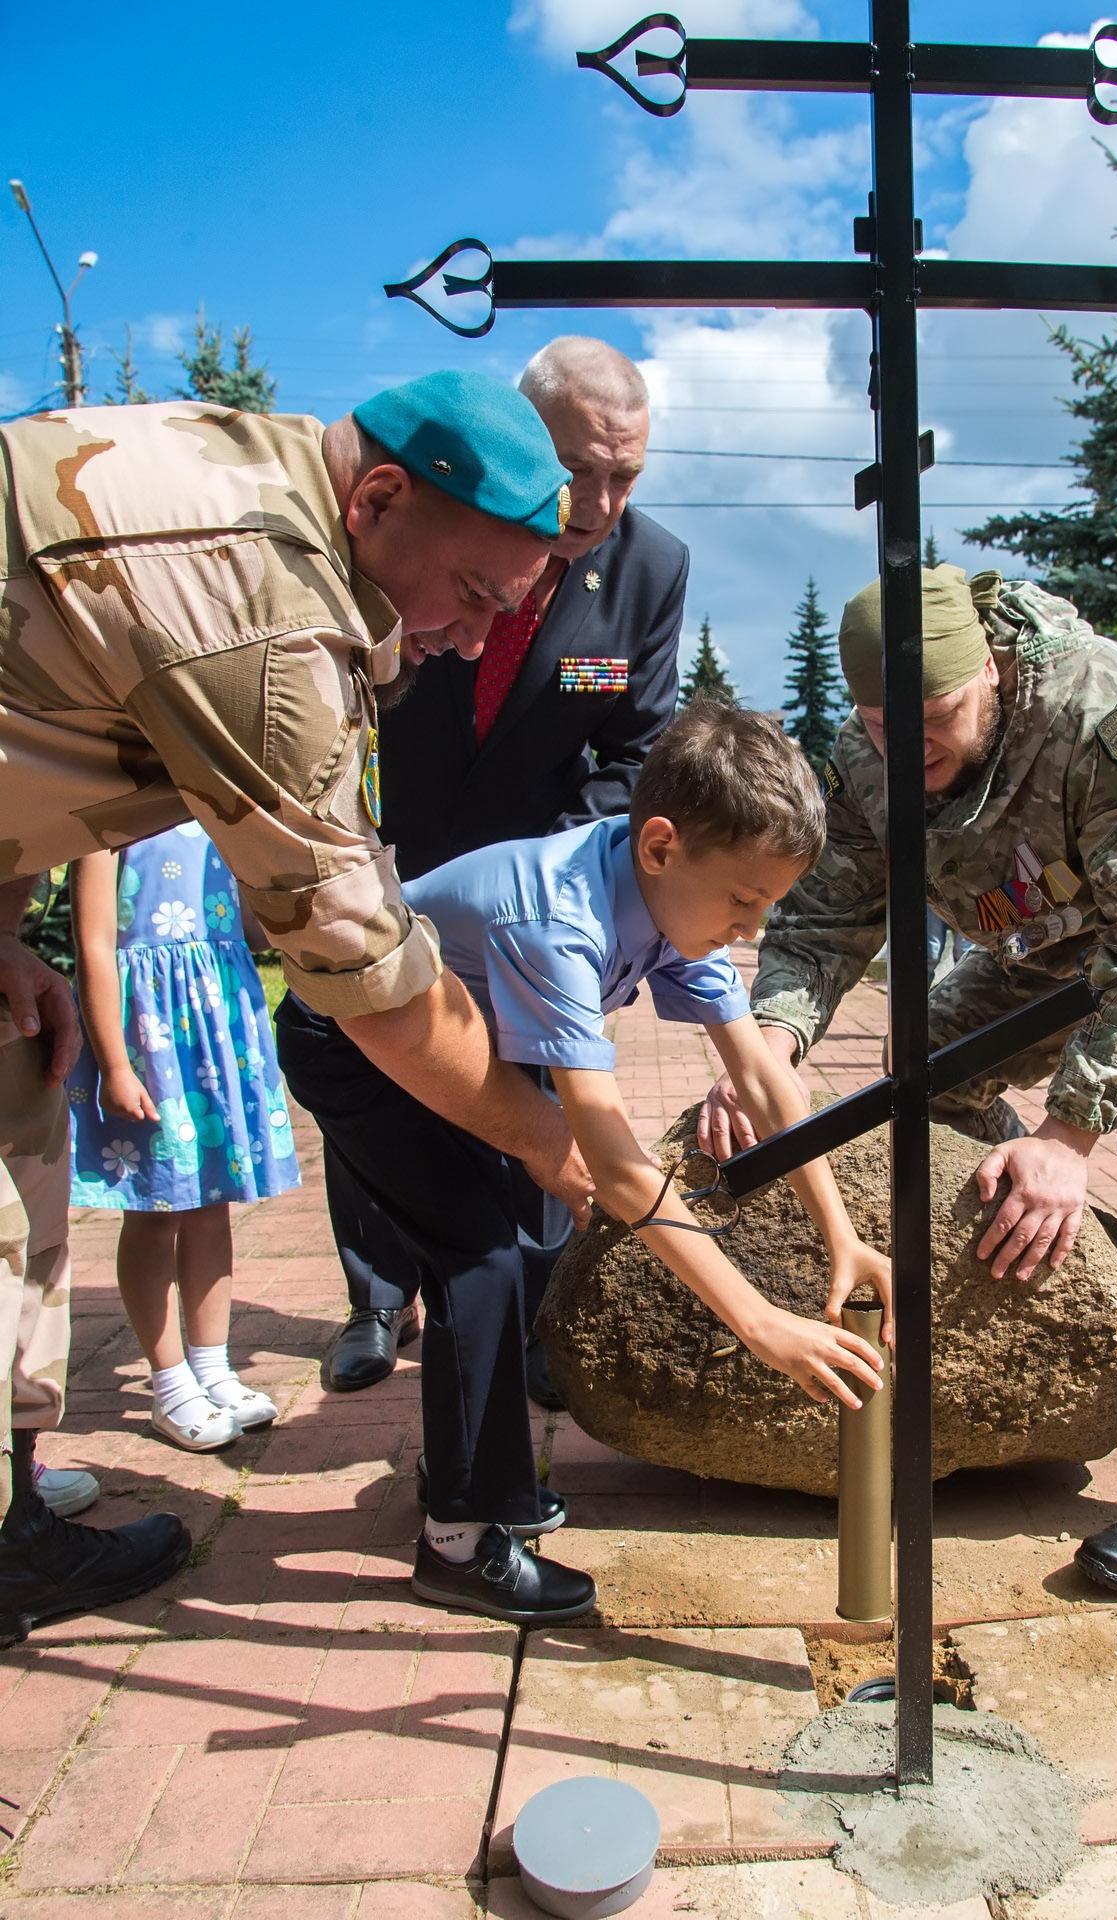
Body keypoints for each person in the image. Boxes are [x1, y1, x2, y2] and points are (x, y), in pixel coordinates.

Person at [0, 371, 592, 1646]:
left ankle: (9, 1535)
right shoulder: (262, 616)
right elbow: (366, 975)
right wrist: (557, 1147)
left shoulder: (260, 476)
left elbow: (29, 712)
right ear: (379, 497)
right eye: (479, 594)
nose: (482, 638)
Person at [699, 565, 1117, 1600]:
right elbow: (824, 923)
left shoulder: (1102, 709)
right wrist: (771, 1046)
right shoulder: (866, 759)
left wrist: (1070, 1136)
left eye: (937, 714)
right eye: (884, 721)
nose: (913, 745)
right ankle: (1004, 1244)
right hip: (1069, 935)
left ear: (989, 670)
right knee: (923, 1070)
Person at [277, 704, 892, 1625]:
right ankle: (458, 1541)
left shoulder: (673, 899)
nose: (750, 927)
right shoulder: (558, 920)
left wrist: (841, 1235)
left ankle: (463, 1470)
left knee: (514, 1252)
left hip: (472, 1040)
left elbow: (765, 1080)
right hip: (356, 1040)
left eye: (767, 906)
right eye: (743, 901)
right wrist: (761, 1324)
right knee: (475, 1258)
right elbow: (618, 1166)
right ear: (660, 845)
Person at [322, 338, 687, 1398]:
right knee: (380, 1078)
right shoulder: (430, 528)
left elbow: (636, 751)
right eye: (585, 471)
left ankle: (524, 1315)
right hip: (395, 868)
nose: (604, 502)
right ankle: (376, 1297)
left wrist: (549, 875)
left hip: (543, 899)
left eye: (628, 477)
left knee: (530, 1097)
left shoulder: (650, 569)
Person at [68, 823, 301, 1450]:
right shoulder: (108, 820)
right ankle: (169, 1383)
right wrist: (115, 1065)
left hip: (215, 1021)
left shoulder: (216, 809)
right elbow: (93, 945)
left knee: (211, 1204)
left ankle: (211, 1366)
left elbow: (254, 927)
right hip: (148, 1034)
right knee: (154, 1209)